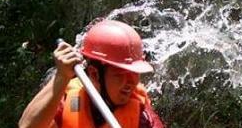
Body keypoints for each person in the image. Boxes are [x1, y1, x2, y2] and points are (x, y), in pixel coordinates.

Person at [19, 18, 165, 128]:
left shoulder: (142, 117)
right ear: (94, 74)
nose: (131, 82)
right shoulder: (66, 98)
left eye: (134, 73)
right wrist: (62, 76)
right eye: (120, 74)